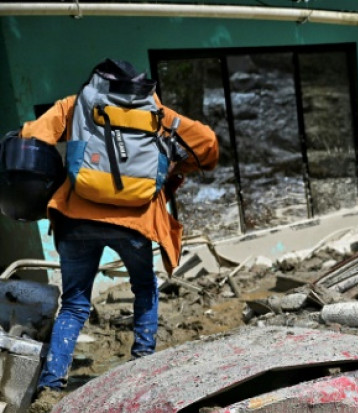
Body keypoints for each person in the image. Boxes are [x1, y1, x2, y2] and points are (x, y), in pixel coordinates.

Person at [19, 59, 219, 395]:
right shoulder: (156, 113)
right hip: (136, 220)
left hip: (77, 218)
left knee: (75, 304)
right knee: (144, 288)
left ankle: (52, 384)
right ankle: (141, 365)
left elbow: (31, 137)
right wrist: (174, 167)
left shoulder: (75, 105)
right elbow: (207, 144)